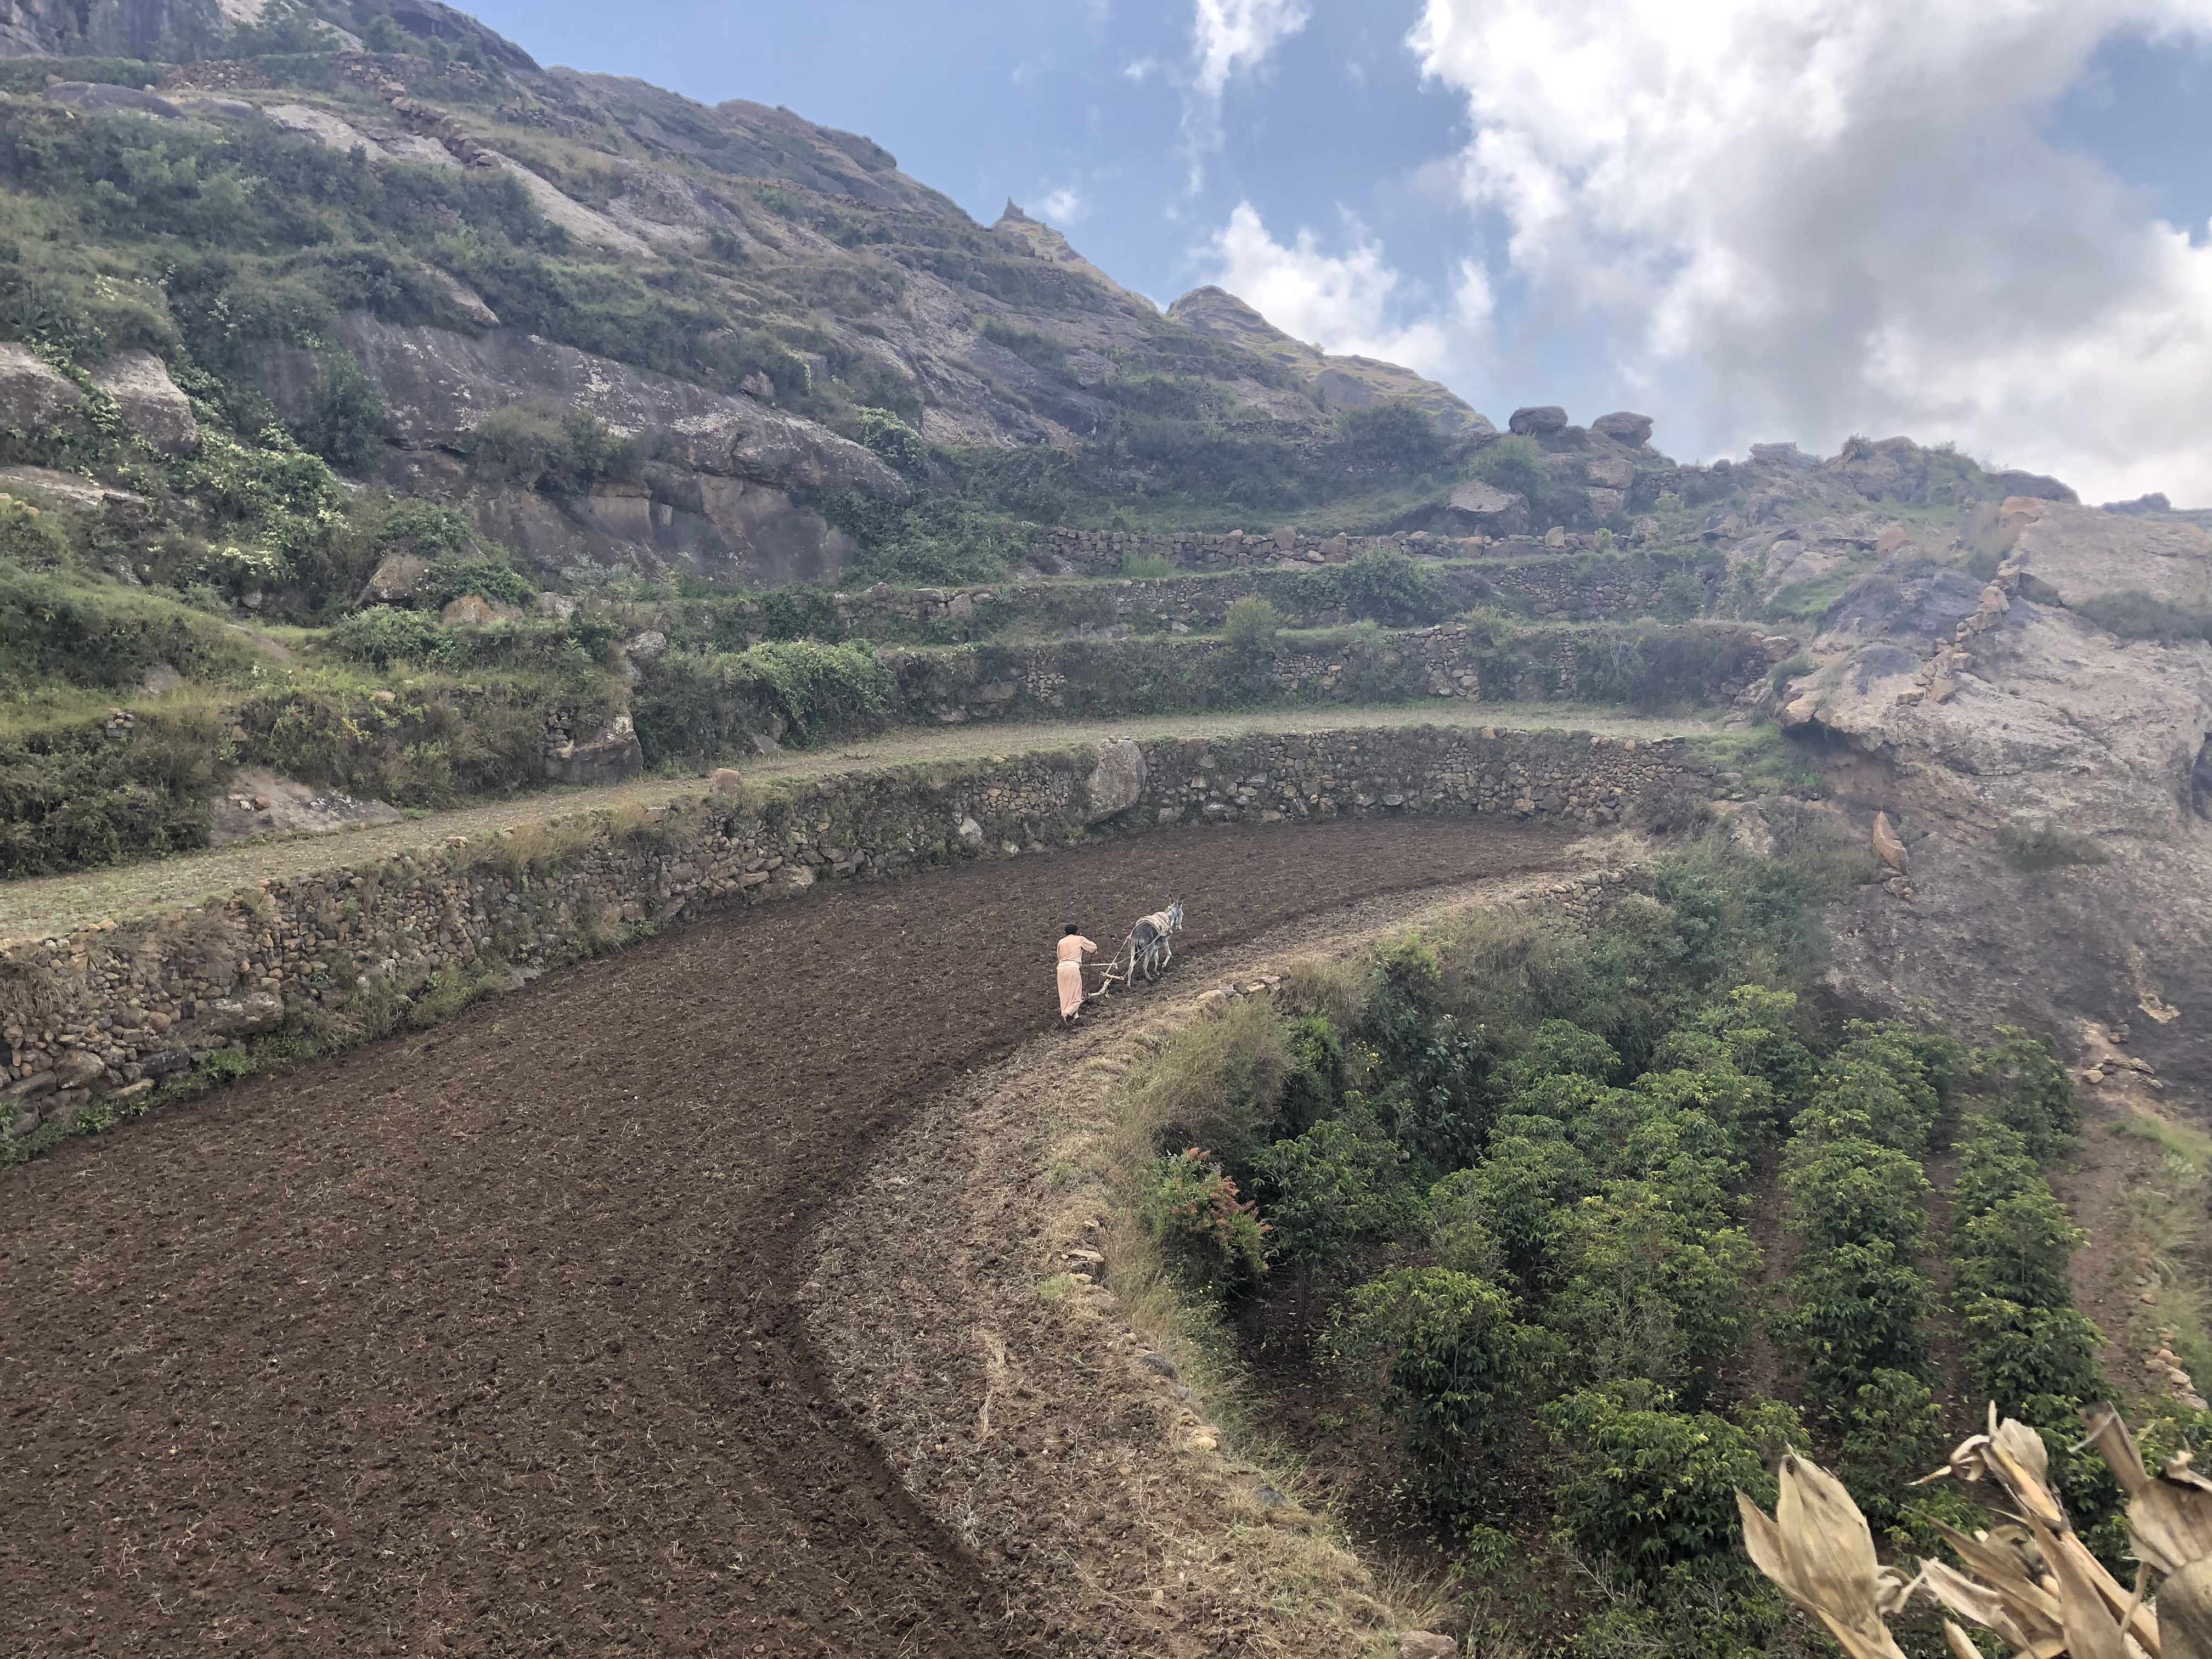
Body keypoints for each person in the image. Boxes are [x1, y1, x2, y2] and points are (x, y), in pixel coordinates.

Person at [1056, 923, 1097, 1026]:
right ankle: (1066, 1014)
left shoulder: (1061, 942)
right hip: (1072, 968)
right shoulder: (1079, 939)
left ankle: (1072, 1018)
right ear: (1076, 931)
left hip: (1061, 969)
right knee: (1077, 995)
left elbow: (1059, 957)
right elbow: (1093, 947)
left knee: (1064, 993)